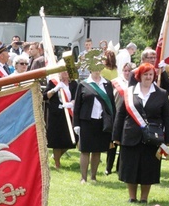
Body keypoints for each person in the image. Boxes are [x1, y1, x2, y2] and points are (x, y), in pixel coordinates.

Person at [113, 63, 169, 203]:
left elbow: (167, 117)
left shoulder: (162, 94)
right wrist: (116, 136)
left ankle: (144, 198)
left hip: (152, 138)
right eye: (145, 74)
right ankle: (132, 197)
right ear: (139, 76)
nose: (148, 77)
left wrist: (168, 137)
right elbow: (121, 114)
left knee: (148, 168)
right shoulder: (129, 92)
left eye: (151, 74)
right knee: (130, 167)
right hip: (130, 135)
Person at [73, 52, 115, 183]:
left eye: (99, 66)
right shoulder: (84, 84)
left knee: (97, 150)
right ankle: (83, 178)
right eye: (94, 67)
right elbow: (77, 106)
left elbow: (112, 105)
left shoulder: (107, 84)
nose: (97, 70)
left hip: (101, 122)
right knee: (85, 150)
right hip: (86, 121)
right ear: (90, 68)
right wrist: (76, 124)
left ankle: (93, 177)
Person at [44, 70, 77, 169]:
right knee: (57, 141)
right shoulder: (53, 82)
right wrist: (55, 89)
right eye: (63, 71)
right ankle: (57, 163)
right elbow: (45, 96)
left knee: (73, 139)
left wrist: (71, 103)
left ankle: (57, 156)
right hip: (56, 114)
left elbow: (77, 96)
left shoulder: (74, 83)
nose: (65, 73)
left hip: (69, 113)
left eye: (67, 71)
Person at [106, 61, 134, 175]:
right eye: (125, 71)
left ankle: (119, 168)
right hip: (116, 115)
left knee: (123, 144)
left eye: (129, 71)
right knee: (112, 143)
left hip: (129, 117)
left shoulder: (135, 84)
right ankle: (108, 167)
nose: (127, 73)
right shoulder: (115, 82)